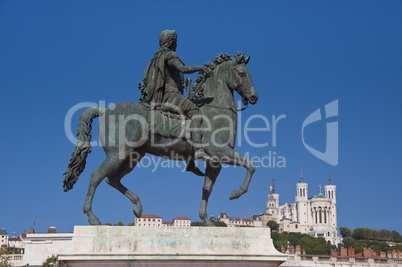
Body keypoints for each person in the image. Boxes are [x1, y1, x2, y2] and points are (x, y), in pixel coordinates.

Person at [139, 30, 211, 174]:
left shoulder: (156, 57)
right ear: (171, 41)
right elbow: (182, 68)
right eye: (176, 41)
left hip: (162, 95)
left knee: (186, 117)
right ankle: (198, 150)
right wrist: (201, 68)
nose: (177, 44)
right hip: (170, 95)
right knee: (196, 112)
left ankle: (190, 162)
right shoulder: (169, 55)